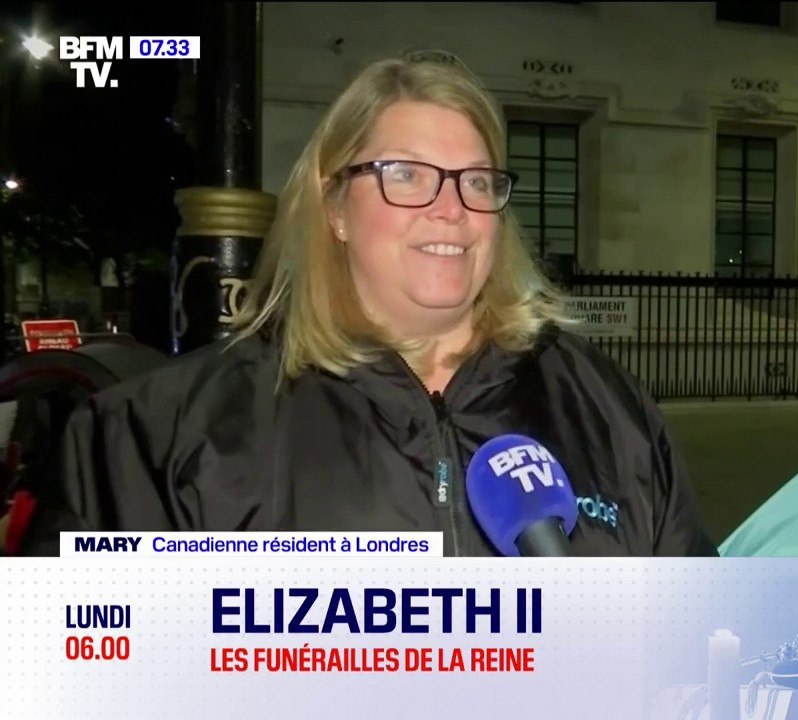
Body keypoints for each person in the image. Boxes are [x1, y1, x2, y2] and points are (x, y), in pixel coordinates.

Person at [19, 53, 717, 557]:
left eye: (475, 180)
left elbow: (697, 645)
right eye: (406, 175)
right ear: (334, 208)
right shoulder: (156, 437)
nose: (451, 209)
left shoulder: (607, 406)